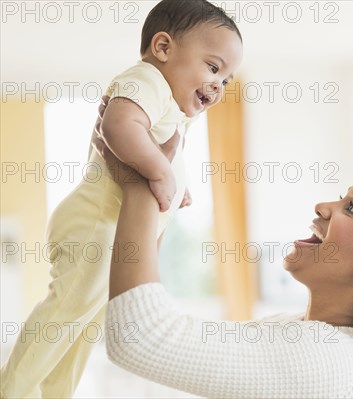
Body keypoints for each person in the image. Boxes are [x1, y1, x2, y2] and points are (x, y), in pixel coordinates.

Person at [95, 120, 353, 398]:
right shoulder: (299, 334)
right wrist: (158, 194)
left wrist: (138, 186)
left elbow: (141, 337)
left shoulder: (331, 362)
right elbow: (166, 329)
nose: (323, 206)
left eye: (352, 209)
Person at [0, 1, 243, 398]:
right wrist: (163, 173)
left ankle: (55, 392)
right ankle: (11, 389)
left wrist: (178, 183)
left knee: (81, 326)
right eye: (213, 67)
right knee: (63, 316)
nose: (218, 85)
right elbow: (119, 125)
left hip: (111, 237)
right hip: (94, 225)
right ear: (163, 47)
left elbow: (159, 147)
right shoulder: (147, 80)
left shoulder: (173, 107)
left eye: (228, 80)